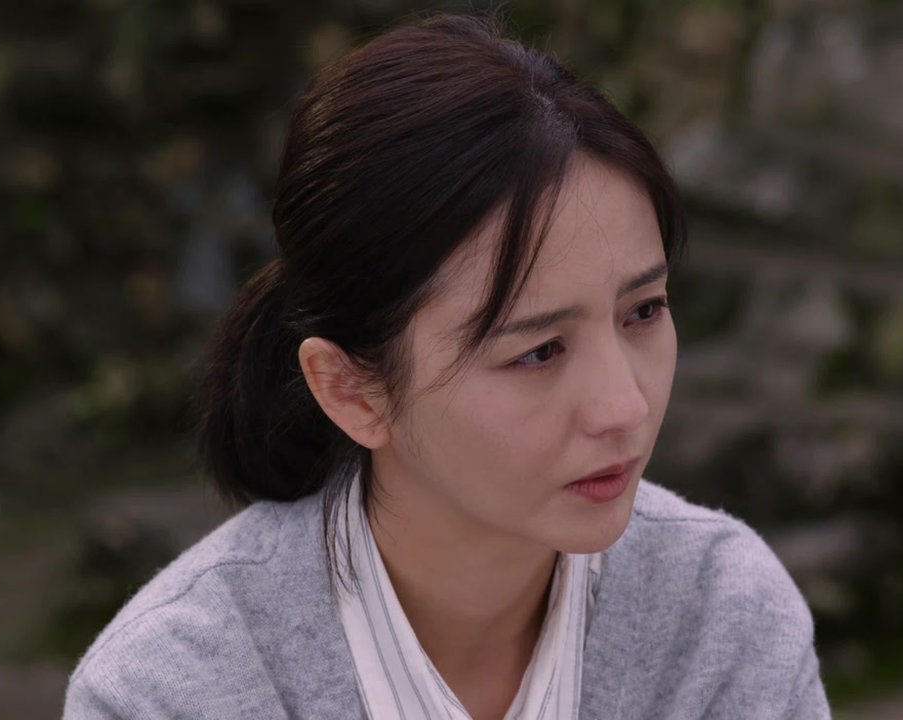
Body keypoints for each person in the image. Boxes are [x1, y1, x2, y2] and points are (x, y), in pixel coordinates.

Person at [63, 13, 830, 720]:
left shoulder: (719, 616)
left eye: (644, 311)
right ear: (351, 390)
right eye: (537, 351)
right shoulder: (174, 689)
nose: (624, 405)